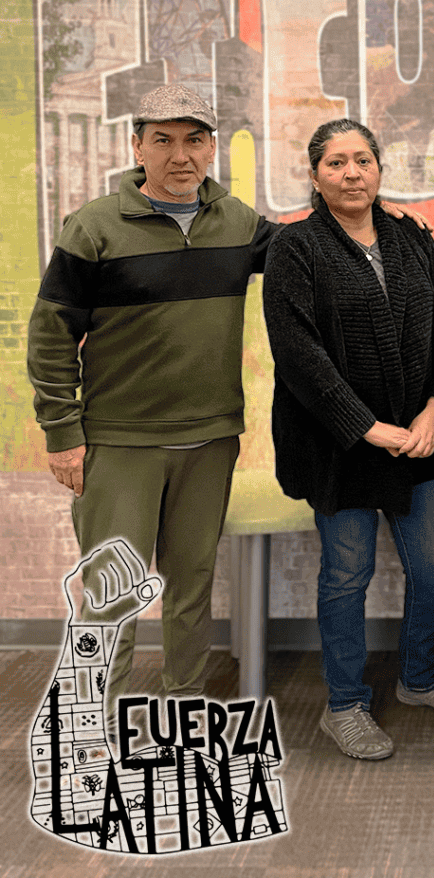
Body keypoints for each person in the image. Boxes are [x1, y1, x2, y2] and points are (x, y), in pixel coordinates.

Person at [27, 84, 277, 733]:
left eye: (194, 139)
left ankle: (183, 705)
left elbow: (313, 258)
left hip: (211, 438)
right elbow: (51, 332)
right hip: (120, 442)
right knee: (111, 594)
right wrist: (61, 433)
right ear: (136, 145)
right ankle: (91, 721)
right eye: (162, 139)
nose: (180, 154)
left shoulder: (239, 223)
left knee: (191, 585)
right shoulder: (94, 226)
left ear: (211, 147)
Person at [262, 118, 434, 761]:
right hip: (339, 447)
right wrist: (365, 426)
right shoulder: (294, 248)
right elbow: (299, 355)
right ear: (315, 175)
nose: (351, 172)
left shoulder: (412, 239)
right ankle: (345, 705)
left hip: (418, 439)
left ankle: (419, 680)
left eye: (362, 160)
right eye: (336, 163)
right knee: (348, 573)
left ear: (380, 168)